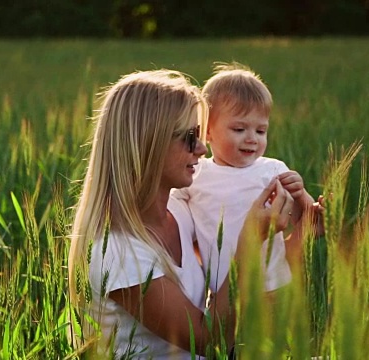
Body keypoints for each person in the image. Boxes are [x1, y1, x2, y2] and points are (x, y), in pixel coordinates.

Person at [67, 69, 295, 359]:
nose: (202, 149)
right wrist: (250, 240)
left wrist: (303, 231)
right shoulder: (116, 251)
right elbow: (208, 341)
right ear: (149, 142)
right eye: (190, 138)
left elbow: (239, 283)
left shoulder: (180, 209)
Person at [172, 63, 323, 294]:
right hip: (223, 290)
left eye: (261, 131)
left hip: (274, 285)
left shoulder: (272, 170)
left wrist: (301, 194)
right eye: (240, 129)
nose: (252, 139)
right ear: (207, 132)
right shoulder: (196, 174)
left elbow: (302, 218)